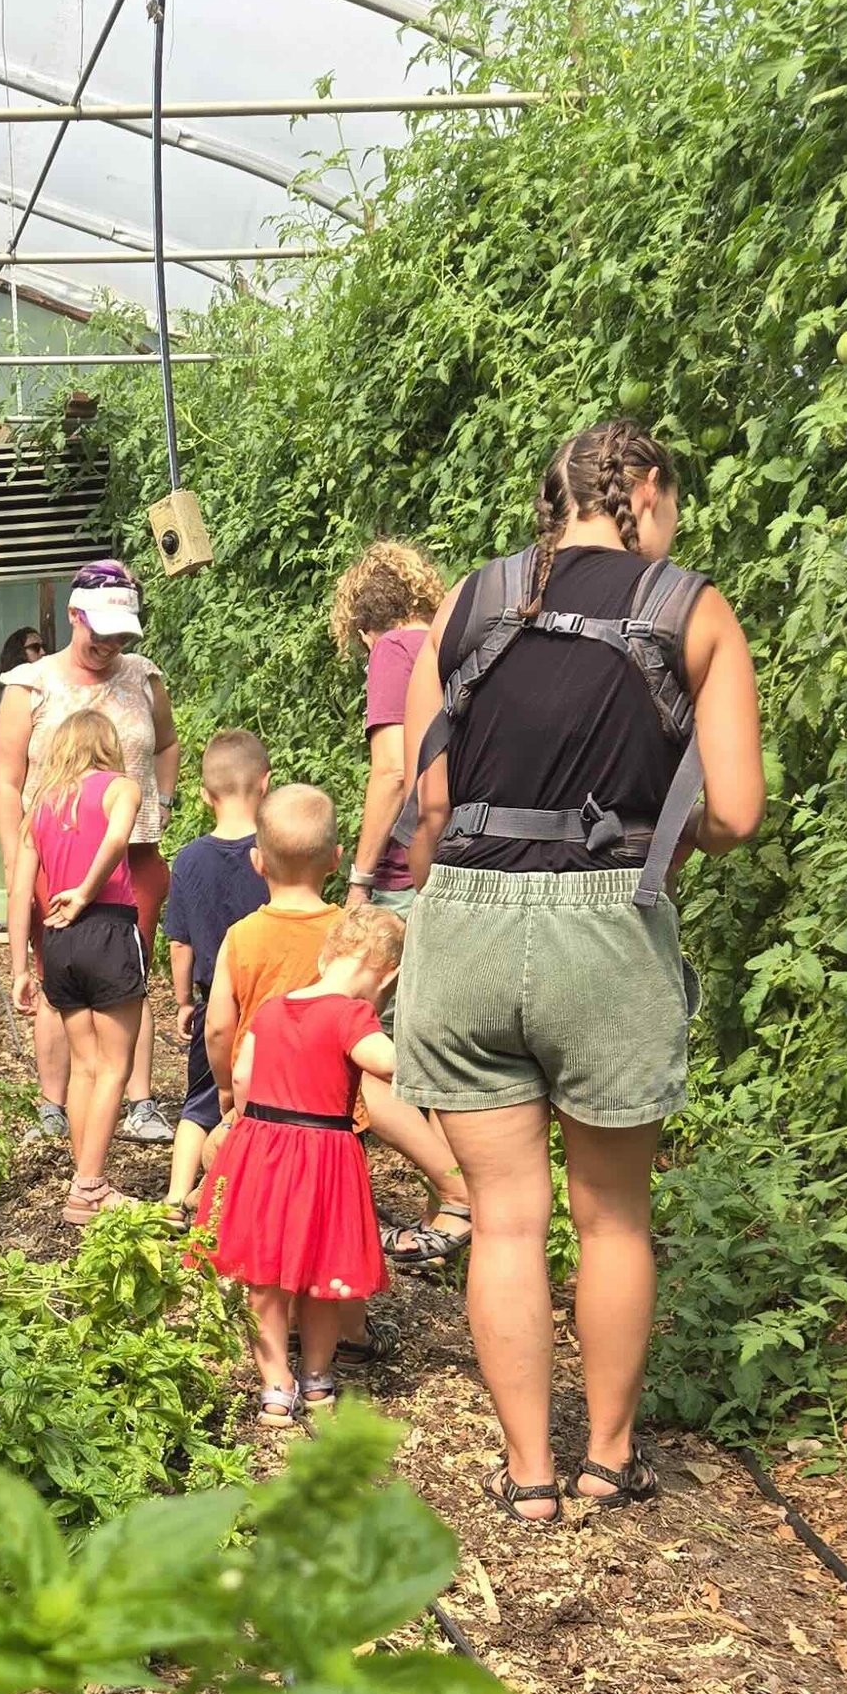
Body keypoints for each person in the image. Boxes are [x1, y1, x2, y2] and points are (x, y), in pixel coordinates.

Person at [398, 419, 765, 1526]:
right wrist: (658, 833)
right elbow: (737, 813)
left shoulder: (468, 602)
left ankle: (526, 1478)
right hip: (604, 929)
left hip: (459, 927)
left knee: (505, 1218)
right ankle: (606, 1461)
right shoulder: (690, 608)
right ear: (644, 490)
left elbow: (428, 801)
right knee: (610, 1218)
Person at [0, 561, 180, 1146]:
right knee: (56, 974)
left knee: (132, 971)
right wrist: (15, 864)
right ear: (75, 615)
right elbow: (6, 781)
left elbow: (168, 745)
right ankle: (55, 1102)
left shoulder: (144, 677)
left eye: (121, 633)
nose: (109, 644)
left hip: (135, 855)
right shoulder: (32, 685)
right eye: (99, 629)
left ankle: (139, 1100)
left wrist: (163, 803)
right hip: (56, 855)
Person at [331, 540, 474, 1269]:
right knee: (440, 1044)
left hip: (405, 873)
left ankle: (459, 1198)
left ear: (362, 620)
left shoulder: (395, 650)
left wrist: (358, 878)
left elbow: (392, 772)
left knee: (371, 1062)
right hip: (467, 868)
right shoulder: (462, 641)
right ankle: (473, 1192)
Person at [215, 909, 403, 1425]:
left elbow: (243, 1073)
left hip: (263, 1148)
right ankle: (318, 1379)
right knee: (323, 1276)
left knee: (263, 1277)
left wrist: (254, 1129)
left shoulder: (272, 1011)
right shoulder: (351, 1016)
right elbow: (385, 1062)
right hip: (324, 1153)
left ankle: (276, 1385)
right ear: (387, 973)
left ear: (325, 956)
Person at [6, 706, 149, 1227]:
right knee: (115, 1066)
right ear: (106, 746)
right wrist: (88, 893)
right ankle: (88, 1188)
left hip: (58, 940)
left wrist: (20, 964)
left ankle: (86, 1179)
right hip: (105, 927)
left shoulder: (40, 807)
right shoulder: (120, 788)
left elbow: (21, 890)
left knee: (85, 1067)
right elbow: (116, 841)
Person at [160, 730, 271, 1224]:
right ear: (266, 785)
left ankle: (175, 1198)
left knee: (199, 1104)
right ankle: (242, 1199)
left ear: (205, 795)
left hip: (213, 1005)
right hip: (272, 1007)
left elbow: (179, 942)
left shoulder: (188, 860)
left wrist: (184, 1000)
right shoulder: (276, 855)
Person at [198, 780, 345, 1114]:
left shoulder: (240, 937)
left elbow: (219, 1028)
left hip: (260, 1103)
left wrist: (225, 1087)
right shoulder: (347, 934)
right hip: (333, 1107)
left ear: (257, 861)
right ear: (336, 859)